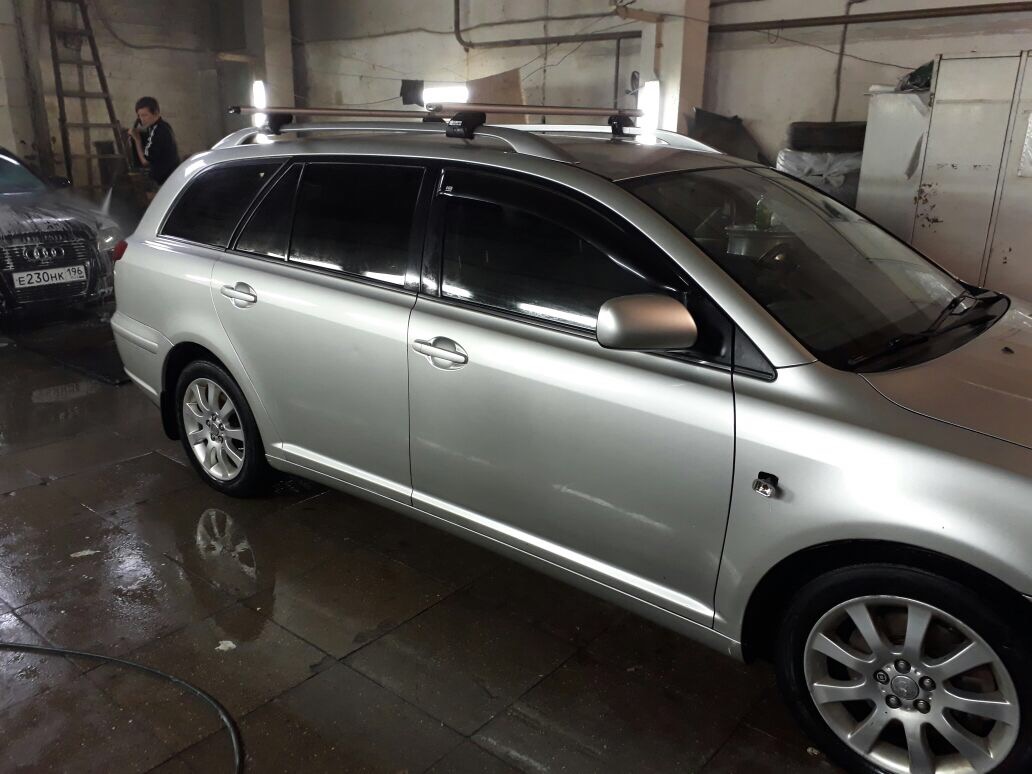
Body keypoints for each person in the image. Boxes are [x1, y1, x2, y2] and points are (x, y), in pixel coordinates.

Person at [128, 96, 180, 188]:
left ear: (156, 112)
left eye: (145, 115)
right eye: (139, 116)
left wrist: (137, 140)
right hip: (168, 177)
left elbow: (145, 161)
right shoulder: (162, 126)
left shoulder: (158, 131)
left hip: (164, 181)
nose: (142, 119)